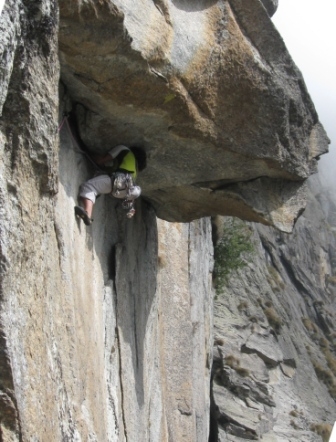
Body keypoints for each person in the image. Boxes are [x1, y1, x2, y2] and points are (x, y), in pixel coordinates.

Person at [75, 145, 147, 225]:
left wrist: (88, 153)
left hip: (118, 181)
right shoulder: (135, 169)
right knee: (98, 188)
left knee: (89, 186)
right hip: (123, 192)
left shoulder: (124, 150)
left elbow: (101, 160)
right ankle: (88, 205)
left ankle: (87, 214)